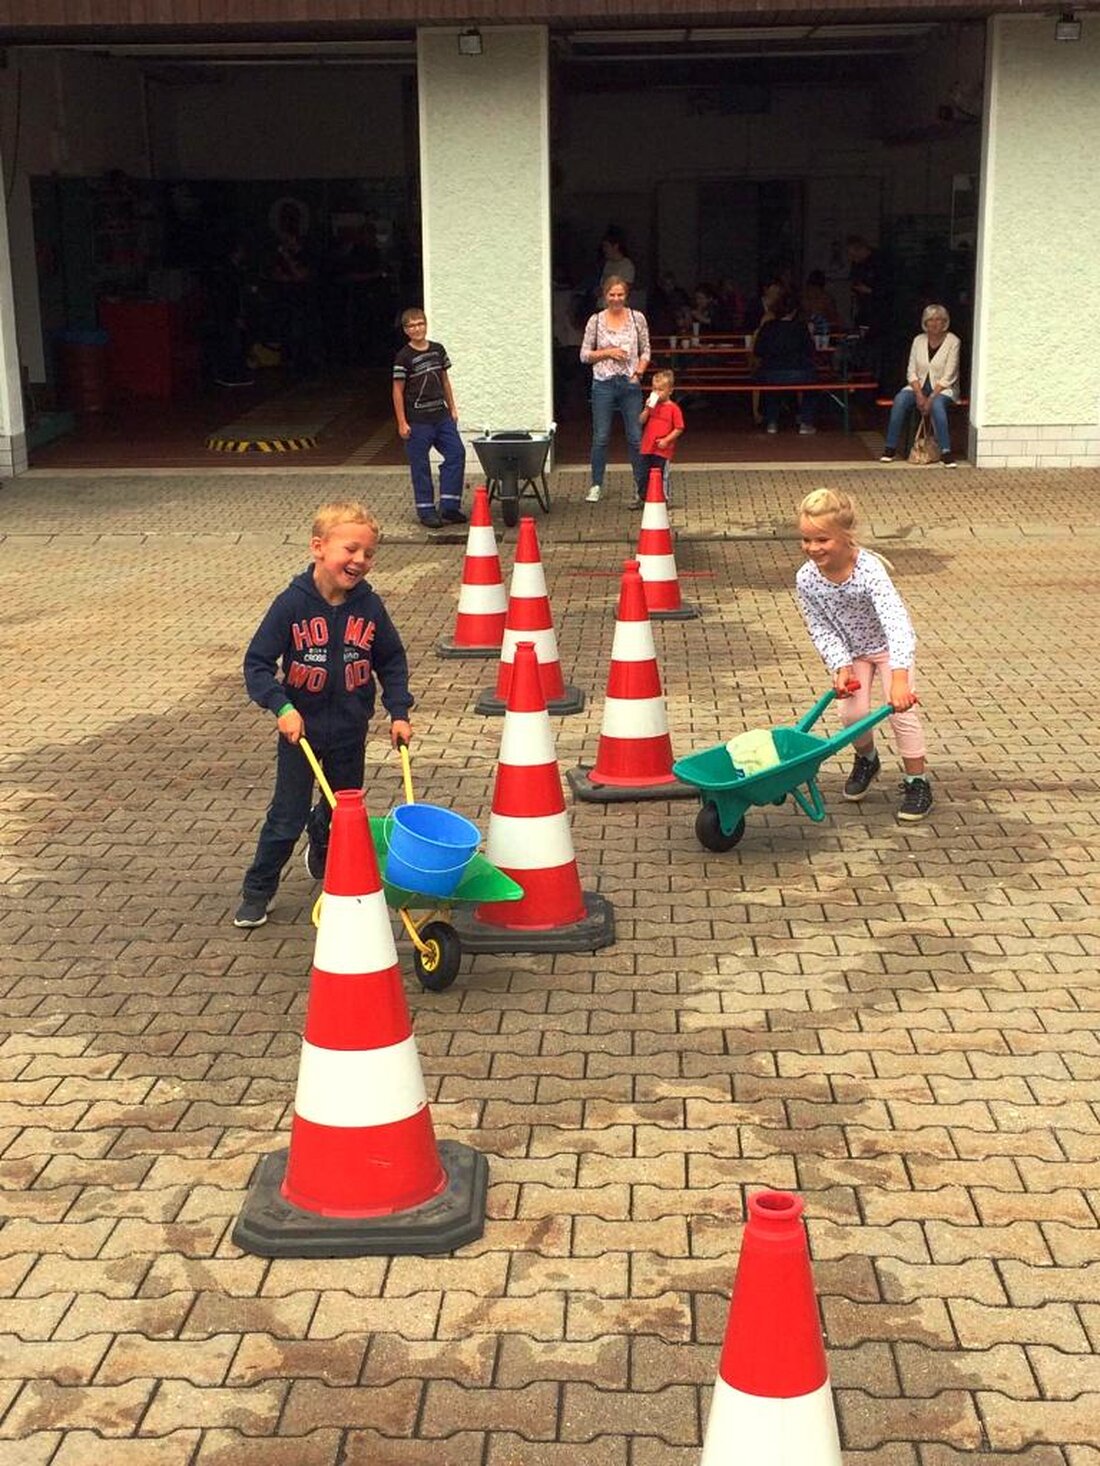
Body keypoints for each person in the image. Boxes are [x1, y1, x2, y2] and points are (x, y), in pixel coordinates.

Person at [234, 501, 414, 928]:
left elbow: (391, 660)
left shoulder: (370, 607)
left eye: (369, 553)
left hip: (350, 731)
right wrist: (282, 707)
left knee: (341, 812)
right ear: (318, 547)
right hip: (301, 734)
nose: (360, 560)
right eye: (350, 550)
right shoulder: (291, 605)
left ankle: (323, 836)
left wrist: (399, 711)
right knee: (285, 818)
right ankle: (258, 889)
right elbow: (257, 663)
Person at [795, 487, 933, 824]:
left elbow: (896, 621)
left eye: (822, 539)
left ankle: (917, 781)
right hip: (853, 651)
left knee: (901, 713)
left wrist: (899, 678)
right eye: (806, 539)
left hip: (889, 650)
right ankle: (867, 760)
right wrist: (840, 665)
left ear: (845, 536)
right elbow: (821, 627)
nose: (813, 548)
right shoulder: (807, 579)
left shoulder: (868, 570)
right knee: (851, 714)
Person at [392, 307, 468, 529]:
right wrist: (402, 422)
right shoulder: (403, 357)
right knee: (421, 465)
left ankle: (449, 506)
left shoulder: (437, 350)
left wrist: (452, 408)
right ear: (406, 330)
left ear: (426, 325)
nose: (417, 329)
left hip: (442, 417)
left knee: (456, 453)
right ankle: (426, 511)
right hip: (417, 421)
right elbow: (397, 390)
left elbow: (445, 380)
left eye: (420, 324)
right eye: (412, 326)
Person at [579, 275, 651, 506]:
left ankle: (640, 486)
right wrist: (608, 352)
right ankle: (596, 484)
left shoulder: (637, 318)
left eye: (620, 294)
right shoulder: (595, 321)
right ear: (605, 295)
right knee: (601, 436)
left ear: (626, 295)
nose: (616, 299)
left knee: (635, 437)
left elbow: (646, 350)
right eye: (612, 294)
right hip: (603, 382)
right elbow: (584, 355)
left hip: (630, 382)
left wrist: (639, 373)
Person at [880, 304, 962, 467]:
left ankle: (946, 452)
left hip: (943, 388)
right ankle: (890, 447)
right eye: (930, 320)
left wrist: (930, 398)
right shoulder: (918, 340)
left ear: (945, 322)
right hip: (919, 387)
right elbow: (911, 371)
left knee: (937, 404)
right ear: (925, 322)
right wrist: (918, 394)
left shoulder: (953, 341)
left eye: (939, 319)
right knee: (900, 400)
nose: (934, 323)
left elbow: (949, 375)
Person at [752, 291, 818, 436]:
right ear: (795, 310)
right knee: (812, 386)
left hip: (771, 373)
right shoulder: (801, 327)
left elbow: (757, 351)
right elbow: (811, 351)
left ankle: (772, 422)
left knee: (770, 388)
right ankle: (806, 422)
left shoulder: (767, 327)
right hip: (800, 373)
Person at [638, 368, 685, 507]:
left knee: (661, 474)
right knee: (643, 474)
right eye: (654, 389)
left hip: (662, 449)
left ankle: (664, 498)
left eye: (660, 390)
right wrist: (646, 409)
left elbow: (679, 428)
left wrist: (666, 440)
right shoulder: (652, 406)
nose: (657, 393)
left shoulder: (673, 408)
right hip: (647, 446)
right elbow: (641, 420)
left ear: (670, 391)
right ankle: (642, 497)